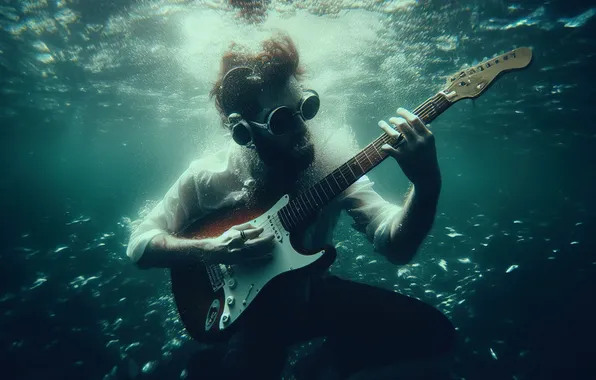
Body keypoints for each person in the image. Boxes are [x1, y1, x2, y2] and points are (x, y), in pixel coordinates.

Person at [126, 33, 456, 380]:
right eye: (282, 120)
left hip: (310, 298)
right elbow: (138, 246)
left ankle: (325, 366)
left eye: (305, 108)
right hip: (248, 320)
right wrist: (210, 249)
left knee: (433, 333)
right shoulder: (208, 177)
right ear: (243, 132)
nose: (302, 128)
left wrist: (426, 185)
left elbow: (396, 246)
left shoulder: (332, 163)